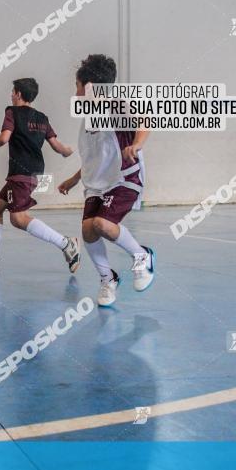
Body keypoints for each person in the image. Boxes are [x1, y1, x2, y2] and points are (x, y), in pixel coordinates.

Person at [57, 54, 155, 307]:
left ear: (88, 86)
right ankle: (107, 278)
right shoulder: (88, 116)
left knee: (101, 223)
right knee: (88, 230)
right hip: (96, 183)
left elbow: (145, 122)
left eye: (77, 85)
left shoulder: (116, 105)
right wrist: (74, 178)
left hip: (124, 177)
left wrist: (136, 145)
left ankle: (142, 256)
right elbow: (97, 155)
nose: (75, 91)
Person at [0, 78, 79, 272]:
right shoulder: (42, 118)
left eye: (13, 91)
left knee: (18, 218)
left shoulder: (12, 112)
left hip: (21, 172)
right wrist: (67, 151)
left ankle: (65, 243)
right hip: (33, 171)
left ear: (18, 93)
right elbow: (55, 145)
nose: (11, 94)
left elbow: (4, 138)